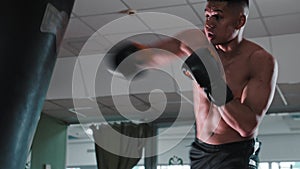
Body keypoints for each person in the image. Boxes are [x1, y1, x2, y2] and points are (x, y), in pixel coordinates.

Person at [107, 0, 278, 168]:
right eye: (207, 15)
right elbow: (155, 54)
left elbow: (247, 127)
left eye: (217, 17)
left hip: (235, 154)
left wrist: (212, 81)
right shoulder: (196, 41)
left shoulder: (259, 60)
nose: (209, 24)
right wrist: (135, 58)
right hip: (201, 151)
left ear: (240, 21)